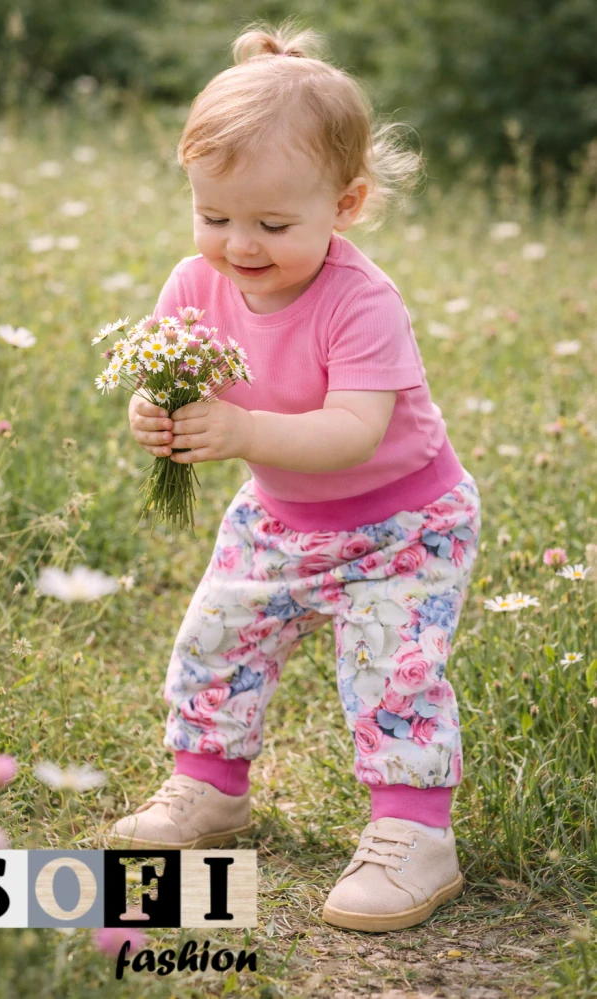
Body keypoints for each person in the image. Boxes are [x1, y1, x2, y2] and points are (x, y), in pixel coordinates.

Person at [108, 18, 482, 933]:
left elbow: (354, 430)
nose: (239, 243)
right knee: (218, 638)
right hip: (278, 513)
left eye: (273, 224)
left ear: (346, 204)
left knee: (392, 668)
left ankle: (413, 830)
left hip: (404, 522)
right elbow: (165, 374)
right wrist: (153, 415)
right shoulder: (193, 286)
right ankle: (208, 784)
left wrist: (237, 427)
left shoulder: (360, 300)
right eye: (214, 215)